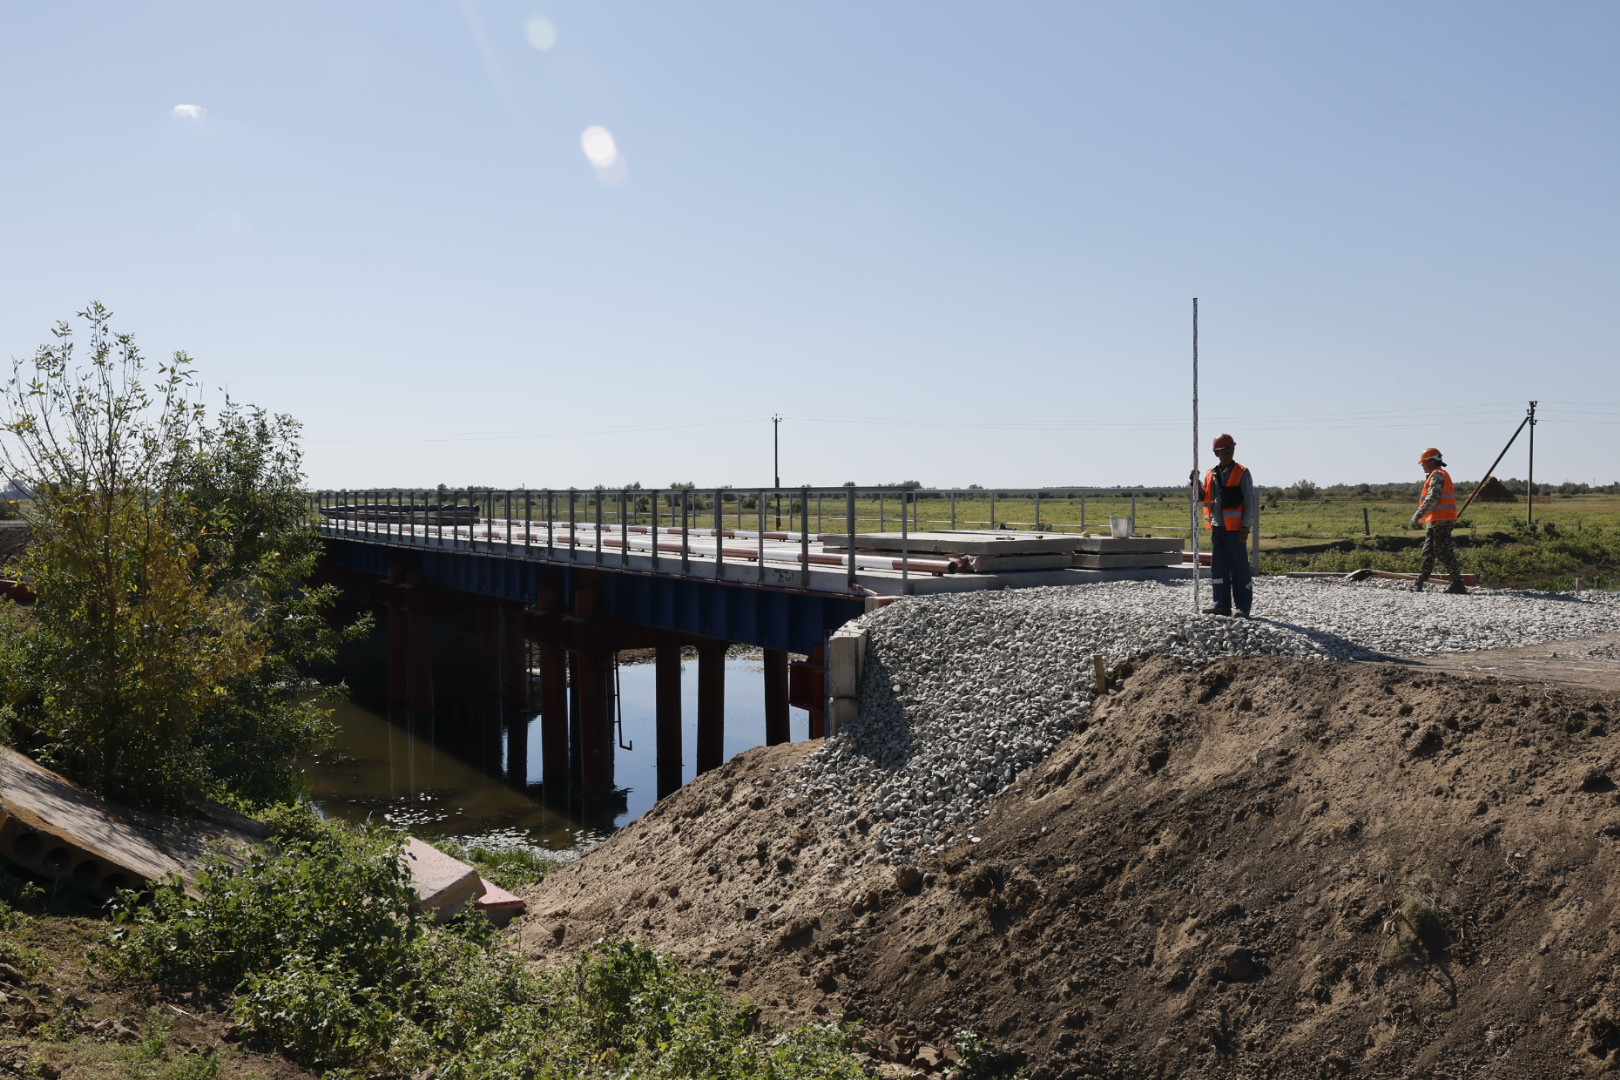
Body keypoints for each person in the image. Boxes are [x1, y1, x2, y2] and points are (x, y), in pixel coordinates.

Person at [1191, 433, 1257, 617]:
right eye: (1223, 451)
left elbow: (1249, 503)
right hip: (1218, 527)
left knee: (1240, 568)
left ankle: (1243, 607)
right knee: (1219, 567)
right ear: (1217, 453)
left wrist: (1245, 528)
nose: (1228, 454)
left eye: (1230, 450)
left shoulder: (1242, 472)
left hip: (1235, 530)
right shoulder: (1211, 474)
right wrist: (1195, 484)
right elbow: (1204, 497)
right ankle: (1221, 605)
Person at [1412, 448, 1468, 594]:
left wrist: (1418, 514)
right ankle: (1419, 582)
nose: (1422, 465)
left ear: (1432, 461)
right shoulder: (1435, 475)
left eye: (1424, 462)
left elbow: (1433, 497)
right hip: (1436, 520)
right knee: (1428, 552)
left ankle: (1458, 584)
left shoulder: (1437, 475)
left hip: (1442, 520)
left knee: (1443, 551)